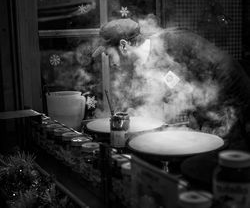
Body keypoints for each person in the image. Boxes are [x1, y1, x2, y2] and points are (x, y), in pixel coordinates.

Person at [92, 16, 250, 150]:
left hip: (229, 90)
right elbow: (179, 92)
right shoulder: (145, 61)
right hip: (209, 94)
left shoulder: (171, 43)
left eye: (109, 54)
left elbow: (204, 86)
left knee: (223, 150)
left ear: (124, 46)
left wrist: (206, 121)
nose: (111, 63)